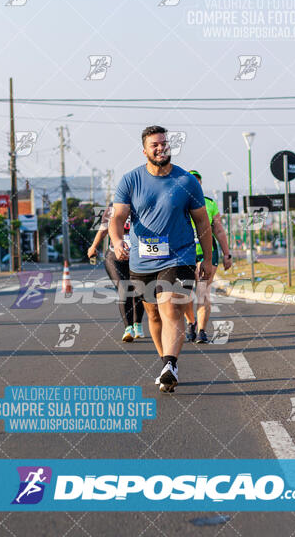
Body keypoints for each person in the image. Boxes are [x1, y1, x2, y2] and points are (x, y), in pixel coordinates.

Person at [109, 126, 212, 393]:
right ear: (145, 150)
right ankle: (167, 365)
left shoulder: (186, 181)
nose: (160, 148)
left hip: (180, 256)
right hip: (142, 260)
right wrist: (118, 240)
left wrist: (209, 260)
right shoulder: (130, 180)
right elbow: (117, 218)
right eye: (154, 144)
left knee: (170, 307)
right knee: (153, 313)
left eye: (164, 143)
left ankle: (170, 363)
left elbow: (203, 222)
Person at [184, 170, 233, 343]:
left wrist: (227, 253)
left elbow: (219, 230)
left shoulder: (209, 204)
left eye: (197, 182)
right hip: (183, 254)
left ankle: (202, 331)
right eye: (190, 181)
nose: (194, 185)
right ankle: (191, 322)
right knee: (184, 296)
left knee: (203, 292)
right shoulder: (176, 203)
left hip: (207, 253)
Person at [88, 204, 145, 342]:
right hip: (115, 257)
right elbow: (102, 230)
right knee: (123, 288)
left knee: (139, 290)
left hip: (138, 256)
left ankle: (137, 324)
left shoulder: (141, 206)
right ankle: (128, 328)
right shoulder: (111, 209)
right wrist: (93, 246)